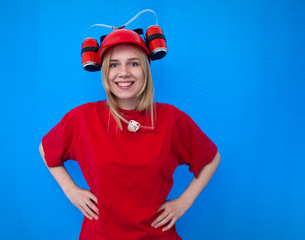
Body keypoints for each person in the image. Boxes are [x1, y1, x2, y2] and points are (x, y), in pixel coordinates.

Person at [39, 28, 220, 240]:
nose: (123, 72)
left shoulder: (172, 119)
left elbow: (210, 157)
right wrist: (70, 190)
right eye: (114, 65)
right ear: (104, 71)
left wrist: (185, 201)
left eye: (133, 63)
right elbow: (46, 148)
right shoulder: (82, 118)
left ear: (145, 69)